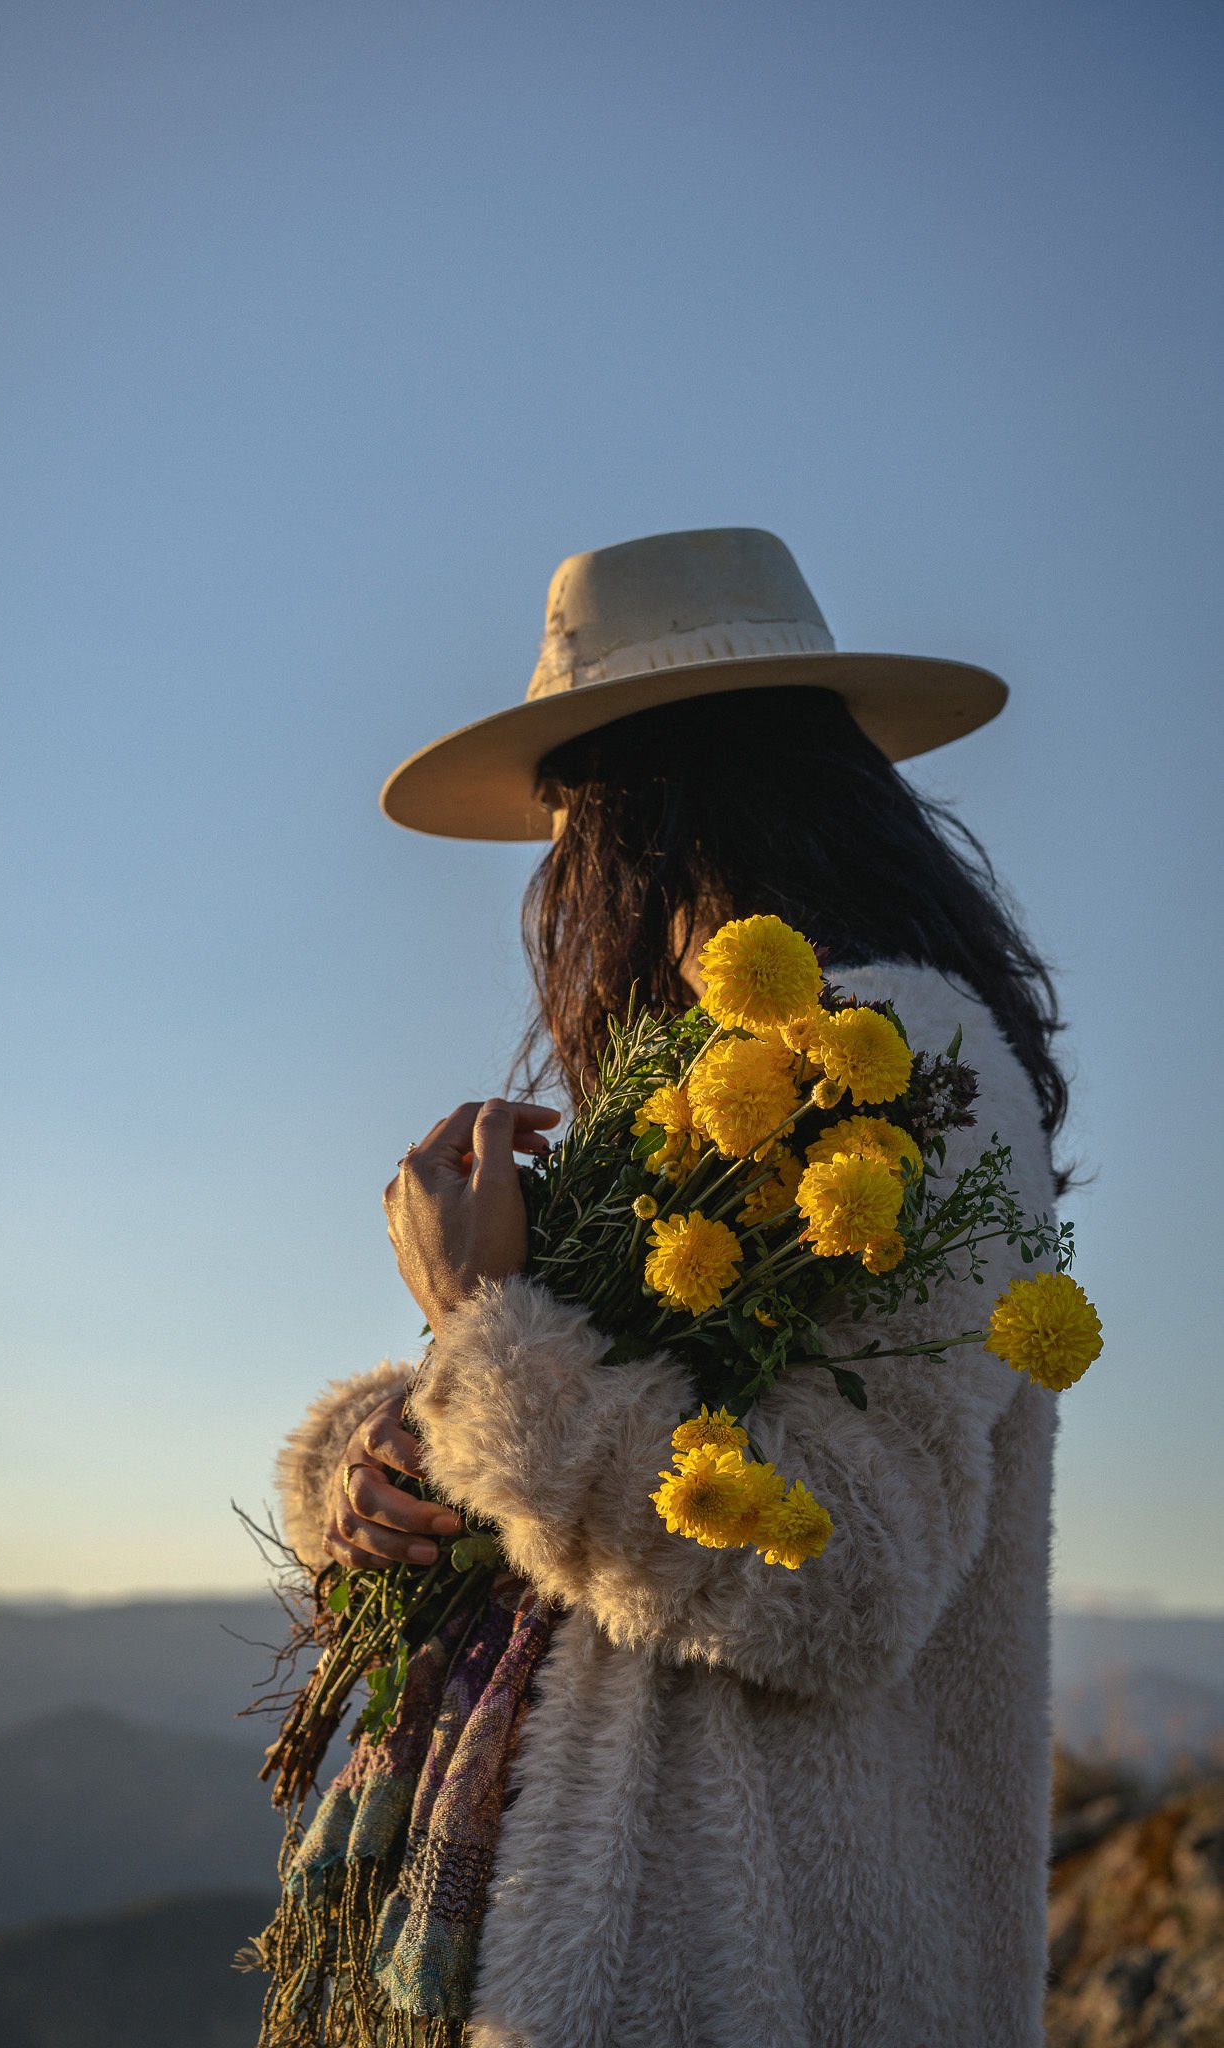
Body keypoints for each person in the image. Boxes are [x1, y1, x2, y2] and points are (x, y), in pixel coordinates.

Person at [276, 528, 1065, 2047]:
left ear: (645, 806)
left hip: (748, 1966)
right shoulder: (710, 1081)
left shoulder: (901, 1052)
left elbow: (842, 1578)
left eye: (576, 816)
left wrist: (478, 1327)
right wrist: (370, 1459)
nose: (567, 877)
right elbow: (574, 1420)